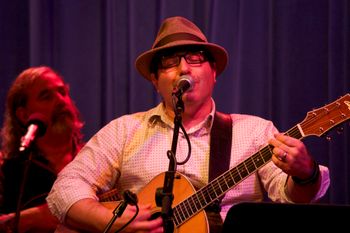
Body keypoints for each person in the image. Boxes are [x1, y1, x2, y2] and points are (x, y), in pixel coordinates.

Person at [47, 16, 330, 233]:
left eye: (195, 58)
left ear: (214, 72)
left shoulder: (255, 132)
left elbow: (292, 199)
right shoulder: (124, 131)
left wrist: (304, 174)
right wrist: (113, 221)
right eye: (170, 61)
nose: (184, 68)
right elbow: (65, 188)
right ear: (155, 80)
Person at [0, 66, 84, 233]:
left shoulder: (96, 159)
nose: (61, 100)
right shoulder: (8, 170)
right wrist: (34, 218)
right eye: (46, 96)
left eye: (62, 92)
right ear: (24, 115)